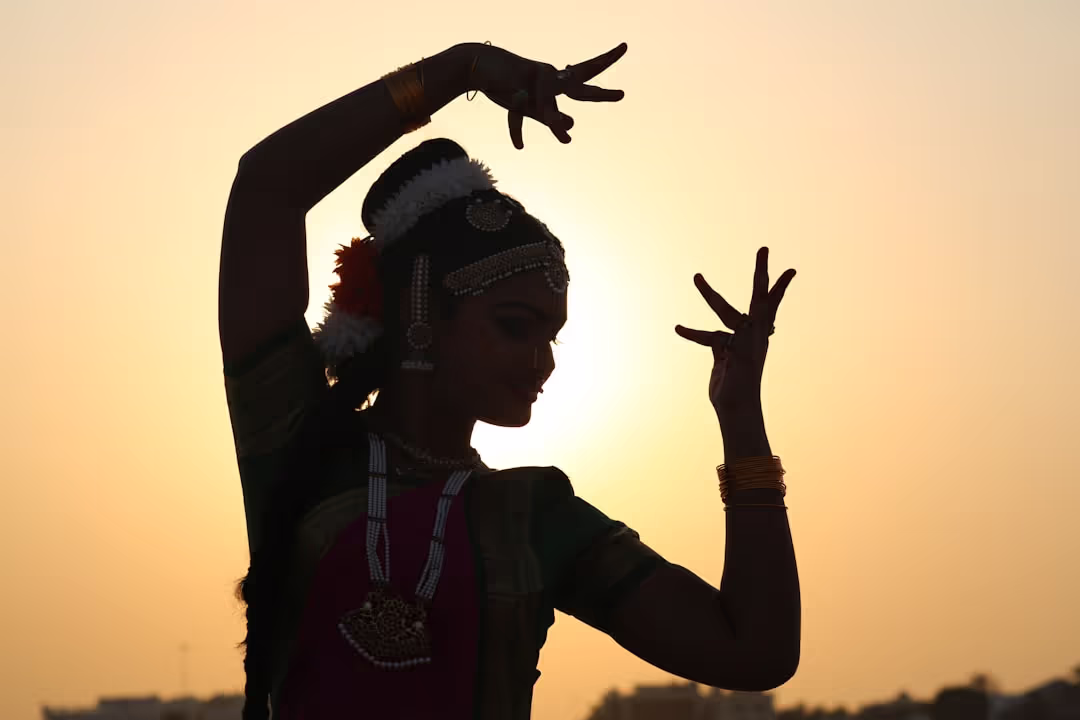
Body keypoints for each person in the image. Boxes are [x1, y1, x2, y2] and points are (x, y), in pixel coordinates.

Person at [218, 41, 801, 720]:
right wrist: (463, 68)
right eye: (516, 326)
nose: (543, 361)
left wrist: (741, 419)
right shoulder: (297, 445)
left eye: (551, 335)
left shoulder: (533, 515)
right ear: (422, 315)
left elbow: (754, 652)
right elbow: (266, 188)